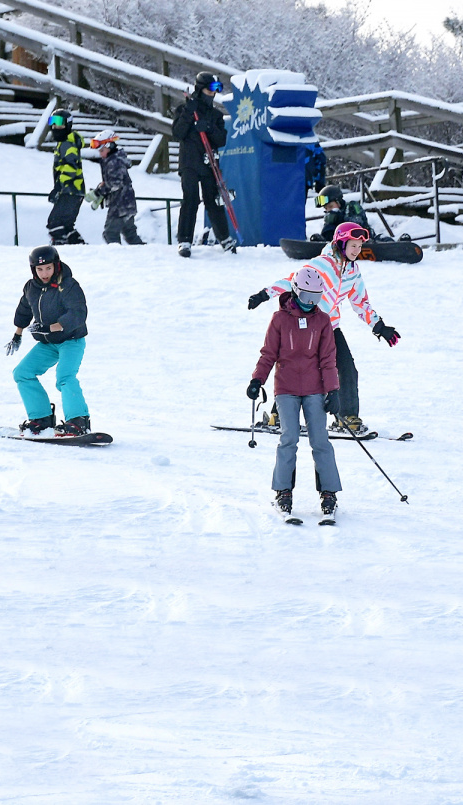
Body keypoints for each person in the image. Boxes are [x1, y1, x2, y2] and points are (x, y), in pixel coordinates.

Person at [247, 222, 401, 434]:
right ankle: (278, 416)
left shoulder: (353, 272)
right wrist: (264, 294)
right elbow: (292, 282)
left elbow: (360, 302)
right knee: (299, 368)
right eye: (353, 246)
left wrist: (379, 326)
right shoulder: (321, 265)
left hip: (330, 326)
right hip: (306, 325)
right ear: (341, 244)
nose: (357, 251)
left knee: (347, 368)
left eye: (359, 246)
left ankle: (347, 418)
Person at [248, 267, 342, 519]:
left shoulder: (323, 321)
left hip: (315, 389)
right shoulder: (279, 319)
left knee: (320, 440)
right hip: (286, 388)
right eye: (307, 297)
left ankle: (329, 493)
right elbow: (268, 354)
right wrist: (257, 380)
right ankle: (283, 492)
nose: (311, 303)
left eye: (316, 297)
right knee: (288, 438)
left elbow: (328, 359)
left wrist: (333, 391)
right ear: (296, 292)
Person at [4, 245, 92, 436]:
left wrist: (50, 327)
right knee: (22, 372)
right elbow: (24, 310)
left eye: (48, 268)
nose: (44, 273)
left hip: (71, 340)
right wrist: (17, 334)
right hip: (48, 343)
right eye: (40, 269)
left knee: (65, 377)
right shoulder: (32, 287)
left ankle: (79, 421)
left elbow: (77, 313)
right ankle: (41, 419)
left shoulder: (68, 286)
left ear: (56, 266)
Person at [172, 72, 234, 257]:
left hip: (209, 162)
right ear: (200, 89)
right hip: (189, 162)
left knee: (213, 200)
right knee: (190, 199)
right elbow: (177, 133)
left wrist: (208, 127)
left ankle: (224, 238)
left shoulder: (216, 115)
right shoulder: (184, 109)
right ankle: (184, 240)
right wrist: (188, 114)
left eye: (216, 89)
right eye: (210, 89)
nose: (213, 93)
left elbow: (221, 140)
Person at [89, 130, 144, 245]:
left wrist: (98, 192)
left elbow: (115, 184)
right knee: (130, 234)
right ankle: (144, 252)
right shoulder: (114, 160)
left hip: (120, 205)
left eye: (102, 150)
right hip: (126, 202)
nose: (100, 154)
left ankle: (117, 253)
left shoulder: (114, 162)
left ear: (109, 146)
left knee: (110, 234)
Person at [46, 109, 86, 245]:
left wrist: (58, 187)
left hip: (70, 190)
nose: (55, 127)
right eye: (53, 122)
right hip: (73, 191)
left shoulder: (67, 143)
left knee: (55, 223)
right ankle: (78, 246)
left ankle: (61, 246)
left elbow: (71, 167)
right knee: (65, 225)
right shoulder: (65, 142)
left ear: (68, 124)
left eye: (59, 123)